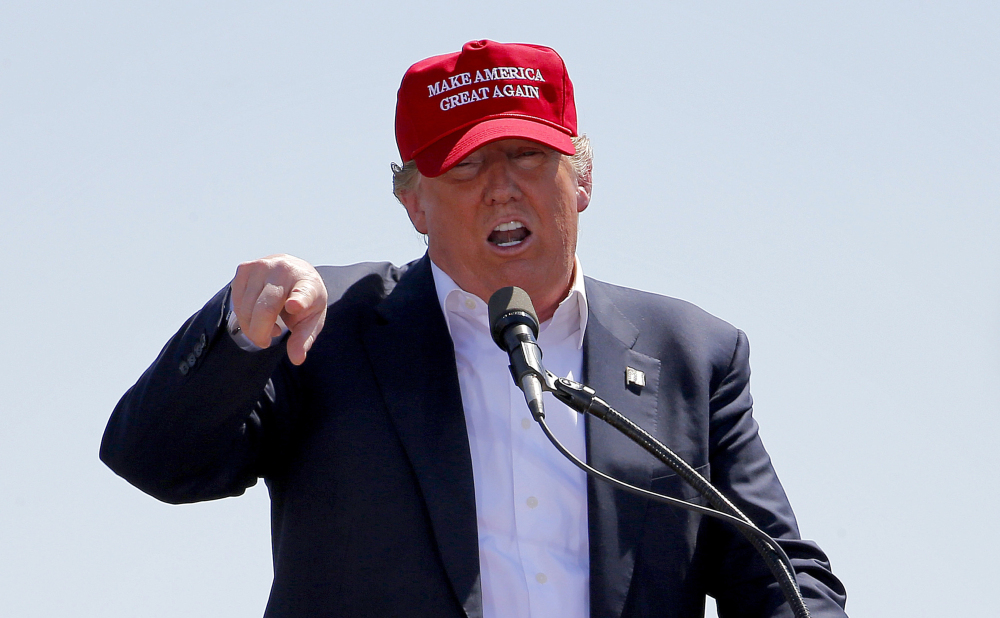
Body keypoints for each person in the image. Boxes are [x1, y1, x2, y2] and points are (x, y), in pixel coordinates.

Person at [101, 40, 849, 617]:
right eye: (464, 168)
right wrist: (239, 331)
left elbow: (779, 571)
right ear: (414, 205)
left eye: (527, 155)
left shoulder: (692, 354)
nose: (501, 187)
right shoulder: (325, 328)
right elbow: (154, 460)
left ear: (582, 177)